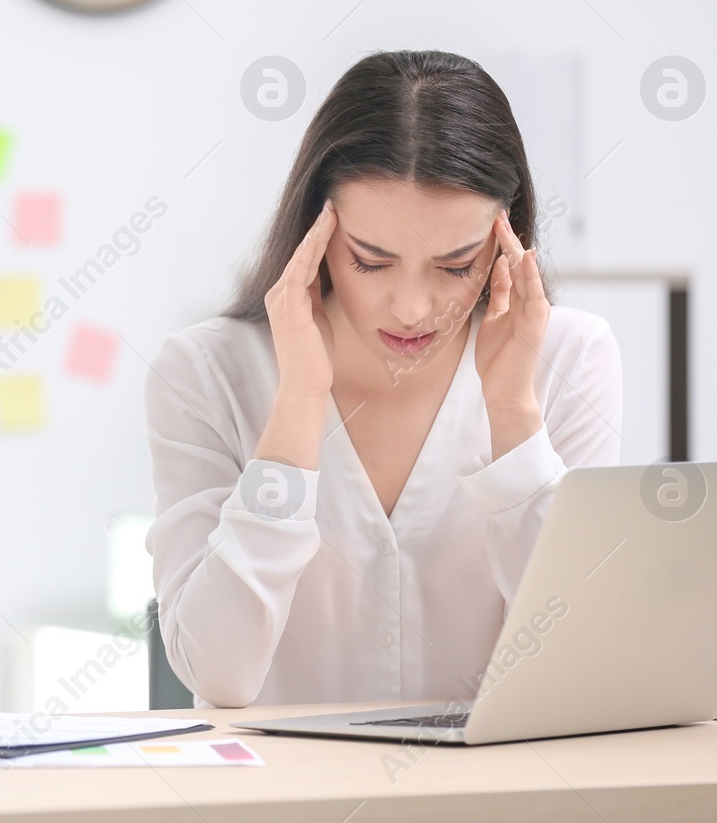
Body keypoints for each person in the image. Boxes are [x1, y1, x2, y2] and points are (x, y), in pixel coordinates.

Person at [145, 49, 622, 708]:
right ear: (314, 230)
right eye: (371, 261)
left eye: (456, 265)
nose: (413, 308)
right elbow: (218, 671)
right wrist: (298, 407)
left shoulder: (571, 357)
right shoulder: (205, 372)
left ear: (506, 238)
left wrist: (514, 414)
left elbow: (584, 666)